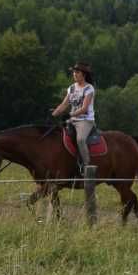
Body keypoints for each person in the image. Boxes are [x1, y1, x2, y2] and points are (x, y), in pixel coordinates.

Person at [50, 62, 100, 221]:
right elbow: (64, 104)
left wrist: (72, 115)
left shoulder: (89, 89)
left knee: (80, 139)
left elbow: (85, 108)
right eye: (73, 72)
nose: (74, 74)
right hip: (71, 120)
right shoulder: (71, 88)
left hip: (85, 121)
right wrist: (54, 113)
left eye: (77, 72)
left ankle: (86, 167)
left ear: (83, 74)